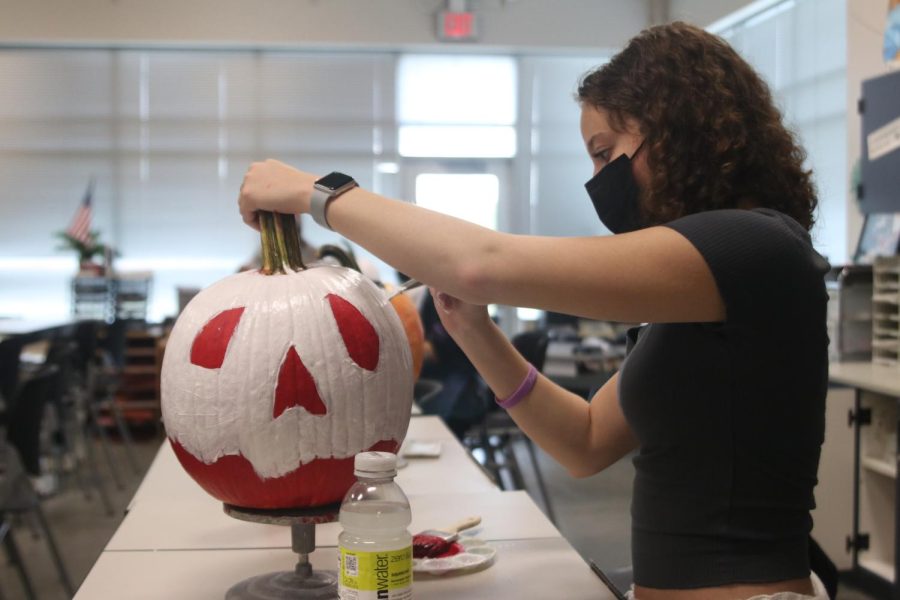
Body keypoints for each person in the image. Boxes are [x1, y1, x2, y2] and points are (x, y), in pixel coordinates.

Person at [238, 22, 830, 600]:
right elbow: (586, 441)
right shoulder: (698, 293)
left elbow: (480, 262)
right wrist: (475, 330)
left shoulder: (757, 248)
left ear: (680, 131)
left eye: (606, 153)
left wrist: (318, 193)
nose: (599, 181)